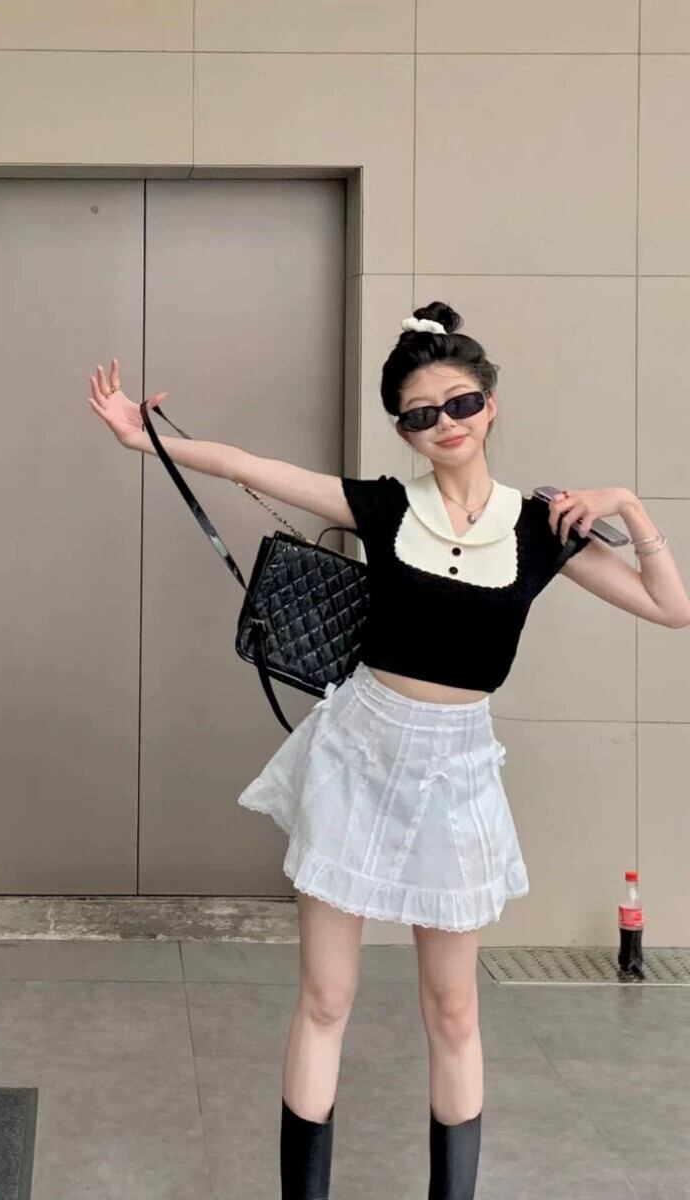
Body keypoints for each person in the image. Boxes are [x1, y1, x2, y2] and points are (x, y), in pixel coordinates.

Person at [87, 300, 690, 1199]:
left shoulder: (540, 527)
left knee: (453, 1009)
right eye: (421, 413)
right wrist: (146, 439)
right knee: (326, 998)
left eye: (461, 403)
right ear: (403, 429)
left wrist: (629, 504)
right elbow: (252, 467)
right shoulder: (384, 506)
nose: (445, 423)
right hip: (359, 756)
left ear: (491, 404)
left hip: (457, 772)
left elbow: (672, 607)